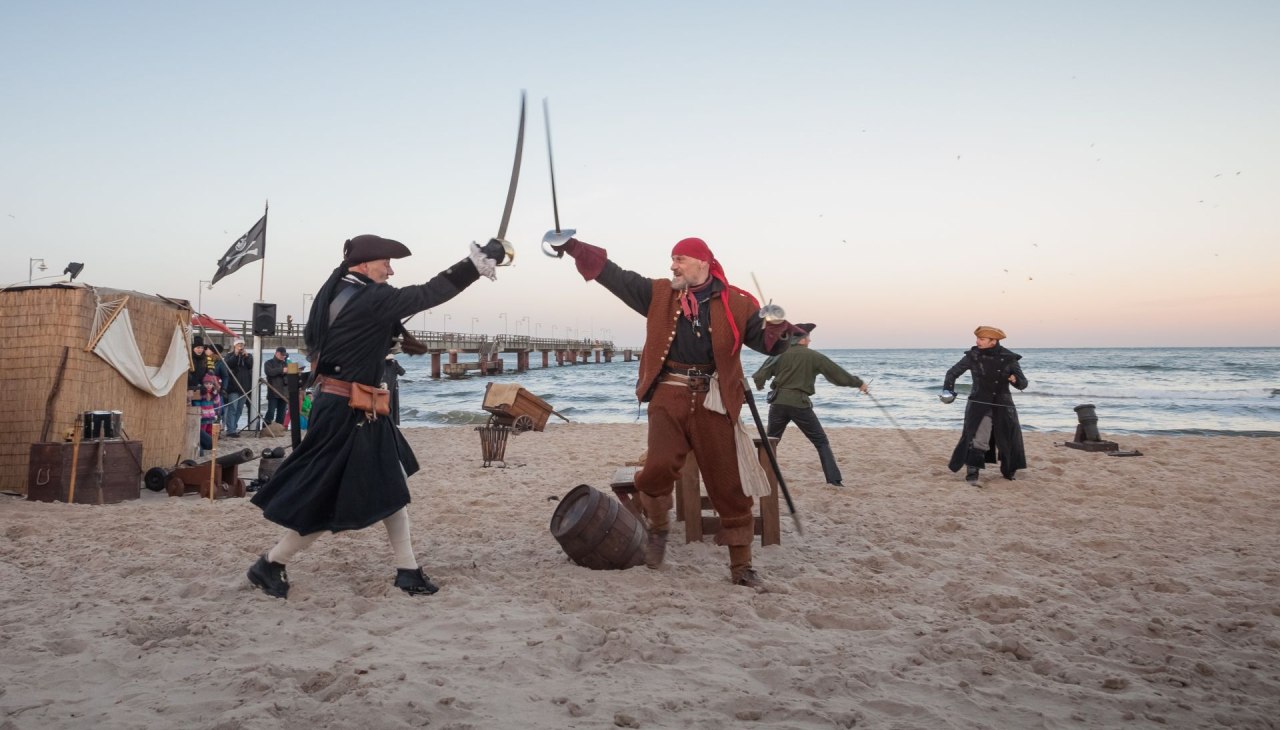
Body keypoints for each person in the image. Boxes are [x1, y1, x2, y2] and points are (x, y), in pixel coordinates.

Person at [246, 234, 508, 599]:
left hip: (349, 406)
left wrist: (385, 340)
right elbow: (427, 294)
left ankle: (407, 569)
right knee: (326, 496)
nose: (391, 269)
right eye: (385, 262)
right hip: (349, 412)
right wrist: (474, 266)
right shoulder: (371, 296)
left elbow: (340, 339)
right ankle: (271, 563)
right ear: (364, 264)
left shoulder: (335, 289)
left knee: (390, 486)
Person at [547, 232, 803, 588]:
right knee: (656, 468)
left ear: (703, 262)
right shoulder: (659, 294)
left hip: (713, 398)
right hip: (668, 395)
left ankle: (741, 567)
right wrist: (573, 247)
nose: (673, 265)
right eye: (673, 259)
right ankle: (659, 529)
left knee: (728, 484)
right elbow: (614, 275)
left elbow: (767, 343)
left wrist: (782, 333)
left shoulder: (739, 302)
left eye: (680, 259)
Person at [751, 323, 868, 487]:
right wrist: (859, 383)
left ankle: (760, 477)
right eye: (808, 337)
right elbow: (838, 376)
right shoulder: (814, 356)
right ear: (803, 339)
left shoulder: (778, 354)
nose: (810, 340)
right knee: (820, 441)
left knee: (771, 442)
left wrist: (761, 386)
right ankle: (834, 481)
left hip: (778, 403)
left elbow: (759, 376)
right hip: (800, 404)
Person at [941, 325, 1028, 484]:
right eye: (977, 338)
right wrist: (948, 392)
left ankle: (1008, 472)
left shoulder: (1009, 358)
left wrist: (1016, 380)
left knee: (1007, 439)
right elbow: (952, 373)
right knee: (979, 438)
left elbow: (1023, 384)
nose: (977, 341)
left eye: (981, 339)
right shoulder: (973, 356)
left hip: (1004, 405)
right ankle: (972, 475)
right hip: (979, 404)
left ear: (993, 341)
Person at [221, 340, 254, 436]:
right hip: (233, 387)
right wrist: (235, 355)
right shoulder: (229, 355)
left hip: (244, 387)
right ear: (234, 346)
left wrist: (246, 356)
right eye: (239, 345)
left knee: (239, 409)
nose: (241, 347)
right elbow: (228, 365)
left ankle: (233, 426)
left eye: (242, 345)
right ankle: (230, 430)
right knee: (233, 408)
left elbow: (250, 365)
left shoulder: (248, 356)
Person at [262, 347, 289, 426]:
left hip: (284, 392)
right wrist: (282, 370)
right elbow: (269, 372)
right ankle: (265, 428)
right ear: (277, 353)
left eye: (284, 355)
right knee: (271, 411)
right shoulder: (268, 363)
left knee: (281, 413)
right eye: (282, 355)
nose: (283, 357)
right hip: (273, 392)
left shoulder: (285, 363)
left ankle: (278, 428)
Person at [383, 348, 406, 426]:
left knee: (387, 404)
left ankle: (387, 422)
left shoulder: (383, 363)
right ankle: (392, 422)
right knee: (393, 404)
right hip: (392, 387)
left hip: (385, 387)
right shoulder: (394, 363)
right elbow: (402, 372)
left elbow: (402, 372)